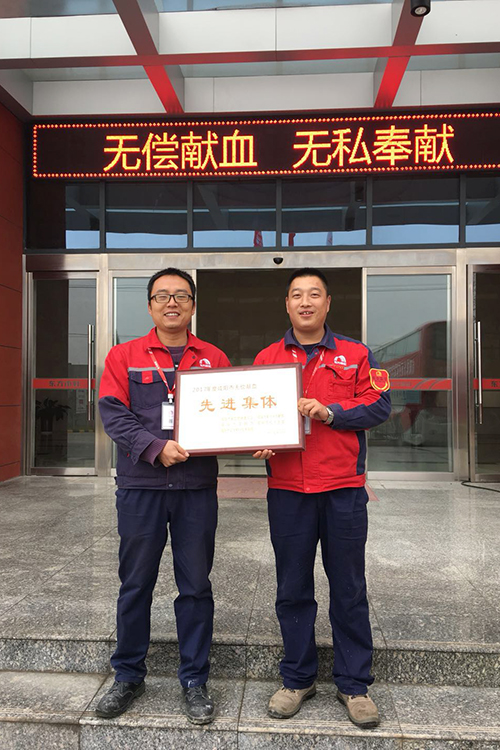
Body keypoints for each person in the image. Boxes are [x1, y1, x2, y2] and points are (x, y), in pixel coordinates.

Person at [253, 268, 391, 728]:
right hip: (288, 490)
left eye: (314, 294)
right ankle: (297, 679)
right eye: (297, 294)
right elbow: (254, 412)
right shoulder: (268, 358)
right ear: (287, 304)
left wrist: (331, 413)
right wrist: (259, 439)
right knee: (292, 587)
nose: (305, 302)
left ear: (328, 303)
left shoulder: (356, 354)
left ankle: (354, 685)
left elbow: (379, 405)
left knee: (349, 587)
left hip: (342, 489)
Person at [96, 268, 230, 724]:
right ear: (150, 305)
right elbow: (113, 414)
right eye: (162, 296)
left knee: (195, 587)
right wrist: (155, 447)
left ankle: (194, 680)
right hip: (142, 487)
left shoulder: (213, 358)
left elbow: (233, 412)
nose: (172, 303)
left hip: (195, 489)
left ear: (192, 304)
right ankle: (128, 676)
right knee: (135, 584)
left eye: (181, 296)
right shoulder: (124, 356)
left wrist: (259, 436)